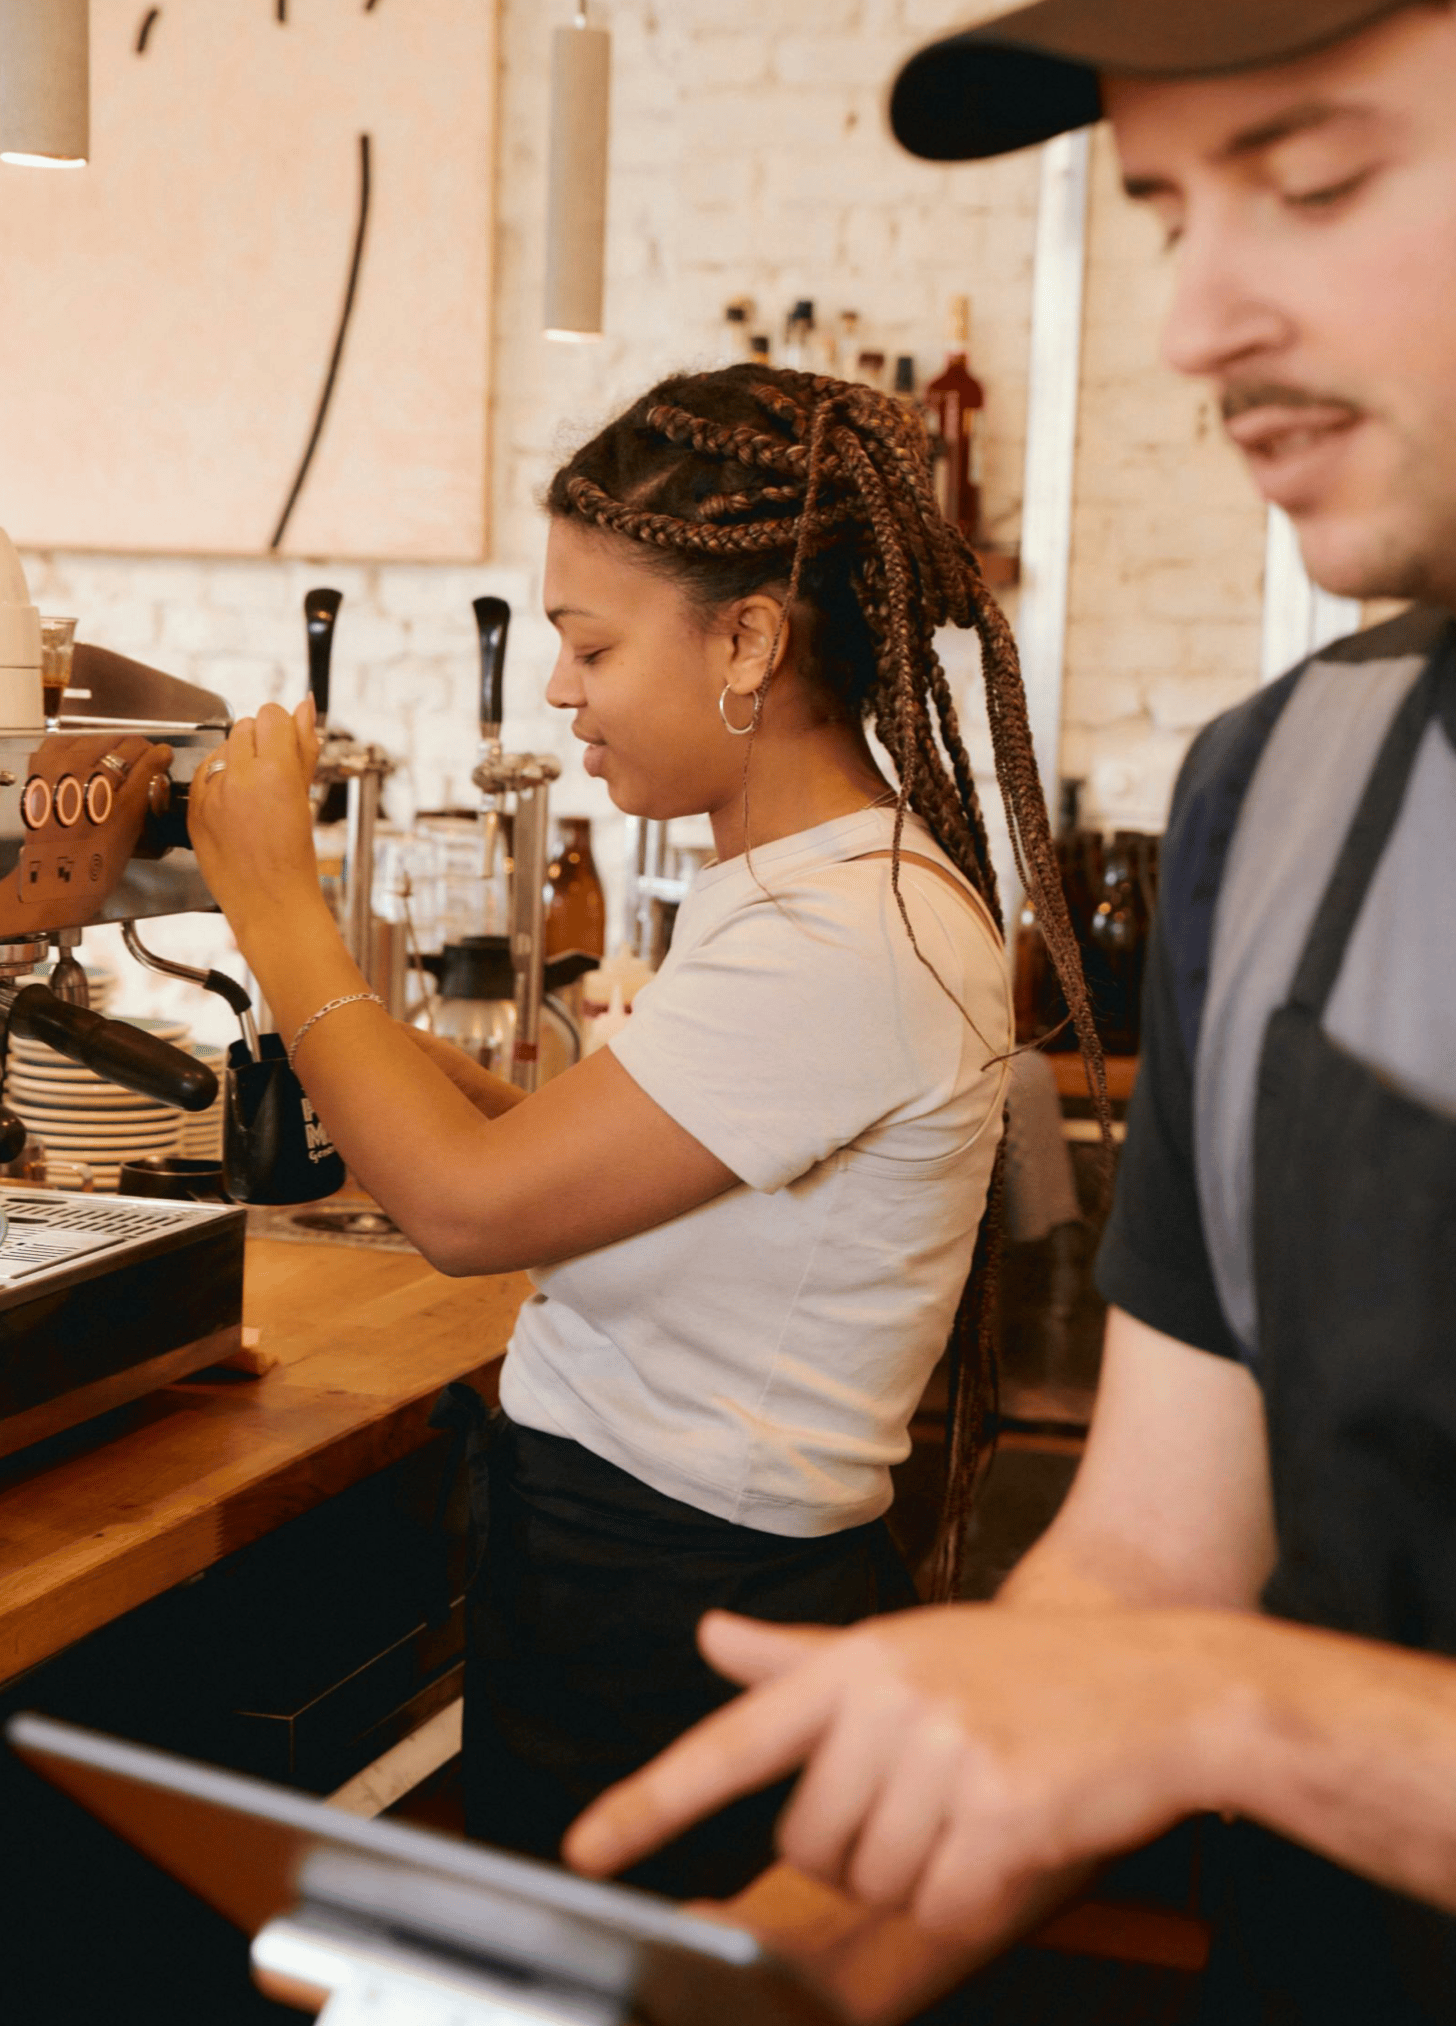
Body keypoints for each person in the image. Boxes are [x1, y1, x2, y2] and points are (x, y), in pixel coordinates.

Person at [559, 6, 1456, 2022]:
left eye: (1314, 184)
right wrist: (715, 1981)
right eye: (1159, 213)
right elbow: (1146, 1555)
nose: (1193, 325)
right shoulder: (1281, 793)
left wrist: (1235, 1704)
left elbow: (1184, 1663)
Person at [187, 364, 1100, 1900]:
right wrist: (390, 1058)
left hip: (681, 1603)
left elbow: (472, 1214)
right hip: (633, 1567)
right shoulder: (807, 890)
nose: (560, 688)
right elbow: (599, 1164)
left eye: (589, 641)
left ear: (747, 637)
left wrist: (276, 898)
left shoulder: (847, 933)